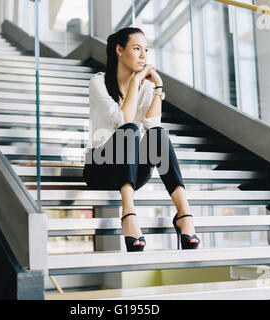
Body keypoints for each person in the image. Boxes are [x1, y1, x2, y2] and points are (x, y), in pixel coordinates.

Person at [83, 27, 200, 252]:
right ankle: (128, 215)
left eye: (146, 50)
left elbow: (152, 125)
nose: (144, 56)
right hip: (100, 168)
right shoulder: (98, 83)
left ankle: (184, 214)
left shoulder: (146, 87)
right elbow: (123, 119)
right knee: (129, 130)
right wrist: (136, 82)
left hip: (133, 170)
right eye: (137, 49)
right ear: (119, 50)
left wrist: (158, 88)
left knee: (158, 134)